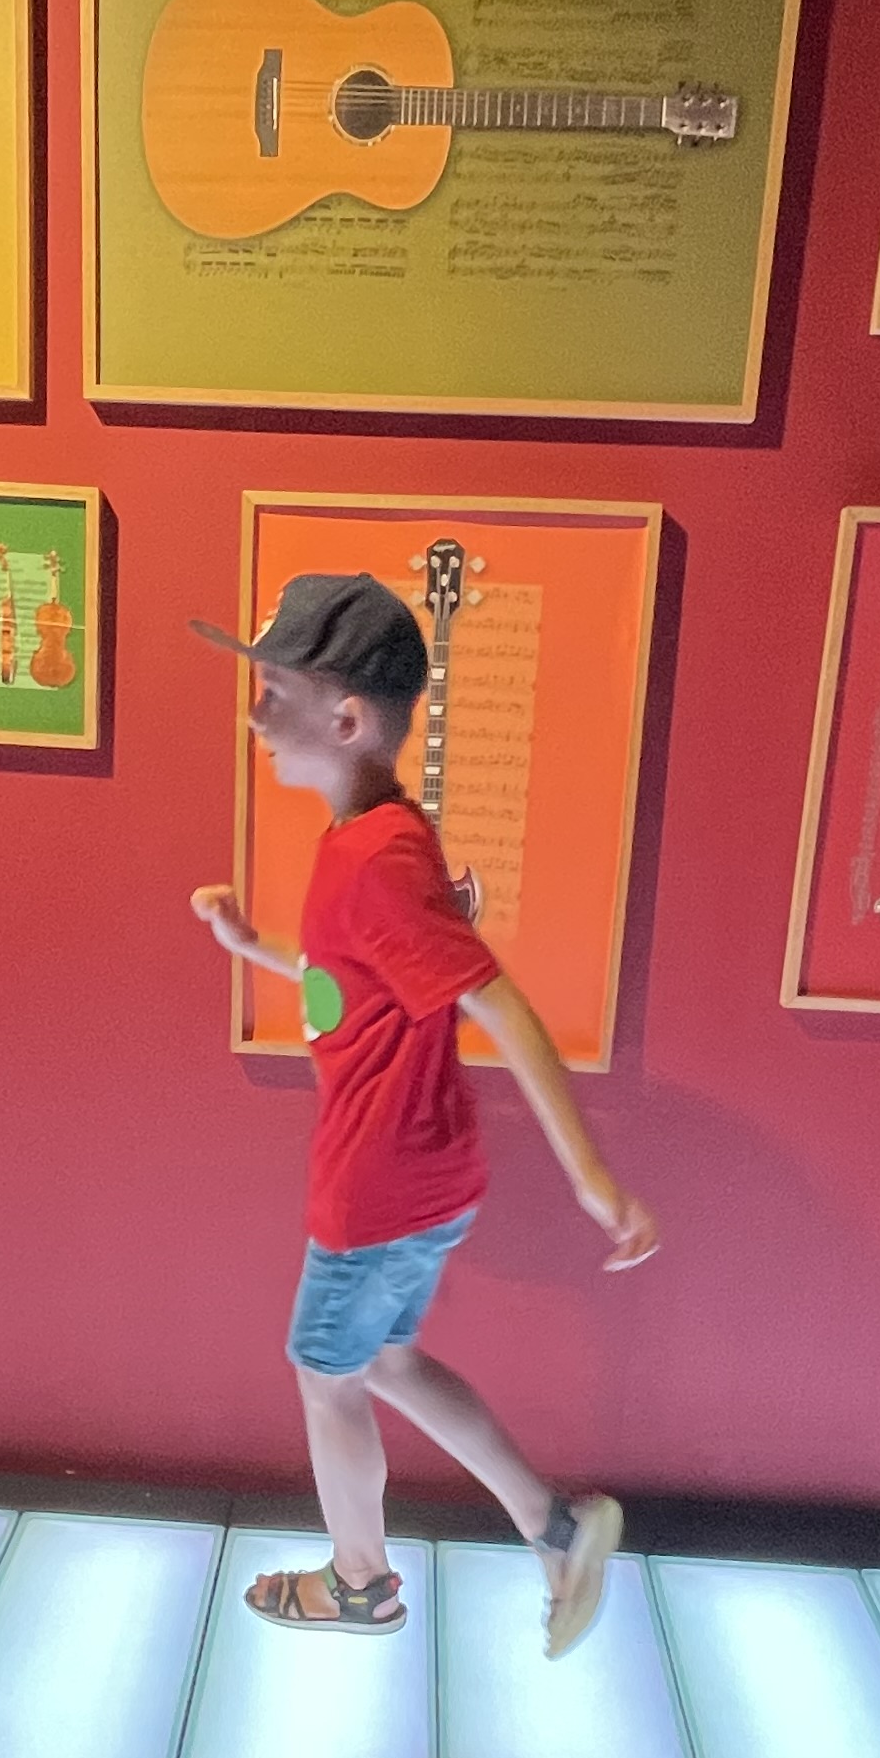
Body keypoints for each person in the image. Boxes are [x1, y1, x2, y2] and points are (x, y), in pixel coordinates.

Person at [186, 573, 660, 1657]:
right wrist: (256, 948)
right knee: (386, 1360)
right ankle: (555, 1526)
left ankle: (360, 1584)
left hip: (378, 1184)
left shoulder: (375, 858)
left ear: (347, 720)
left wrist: (593, 1177)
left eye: (273, 693)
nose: (254, 715)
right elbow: (356, 982)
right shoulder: (380, 836)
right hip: (426, 1180)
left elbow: (497, 1001)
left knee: (326, 1376)